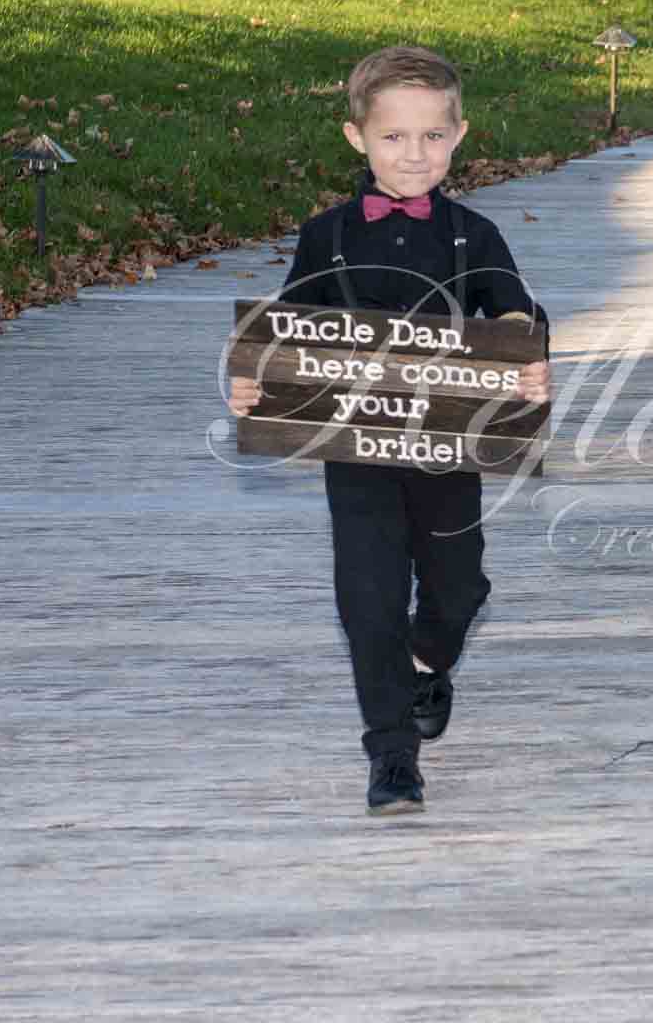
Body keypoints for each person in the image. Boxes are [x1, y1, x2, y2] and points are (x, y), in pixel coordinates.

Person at [229, 46, 551, 816]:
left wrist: (523, 354)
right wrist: (254, 382)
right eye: (394, 139)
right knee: (367, 596)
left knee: (459, 581)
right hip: (358, 447)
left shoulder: (474, 234)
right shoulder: (326, 234)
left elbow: (511, 307)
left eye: (432, 138)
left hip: (449, 446)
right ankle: (391, 754)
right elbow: (288, 334)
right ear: (356, 139)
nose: (414, 155)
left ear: (460, 134)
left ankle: (429, 660)